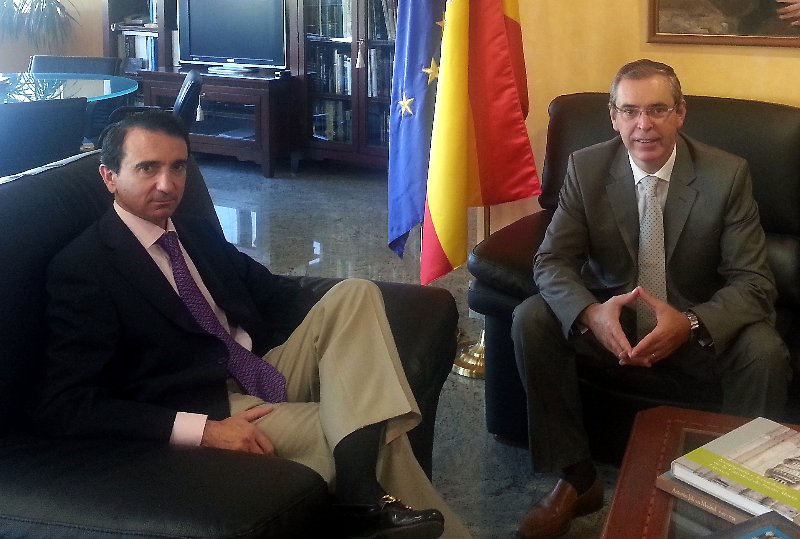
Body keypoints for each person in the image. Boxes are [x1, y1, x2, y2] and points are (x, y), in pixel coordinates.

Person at [34, 111, 469, 539]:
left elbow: (273, 292)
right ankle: (366, 501)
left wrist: (352, 336)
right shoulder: (85, 268)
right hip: (211, 403)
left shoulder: (195, 232)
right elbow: (66, 404)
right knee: (366, 430)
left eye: (178, 167)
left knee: (356, 293)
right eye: (148, 168)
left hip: (262, 365)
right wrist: (203, 431)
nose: (167, 184)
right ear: (109, 177)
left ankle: (358, 503)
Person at [512, 59, 791, 539]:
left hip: (695, 328)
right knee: (531, 318)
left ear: (680, 113)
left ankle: (737, 493)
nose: (644, 125)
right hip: (615, 327)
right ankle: (576, 477)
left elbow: (753, 282)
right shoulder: (586, 167)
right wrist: (591, 314)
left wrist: (691, 322)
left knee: (763, 350)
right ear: (614, 117)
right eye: (630, 111)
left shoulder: (726, 175)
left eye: (658, 109)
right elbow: (551, 261)